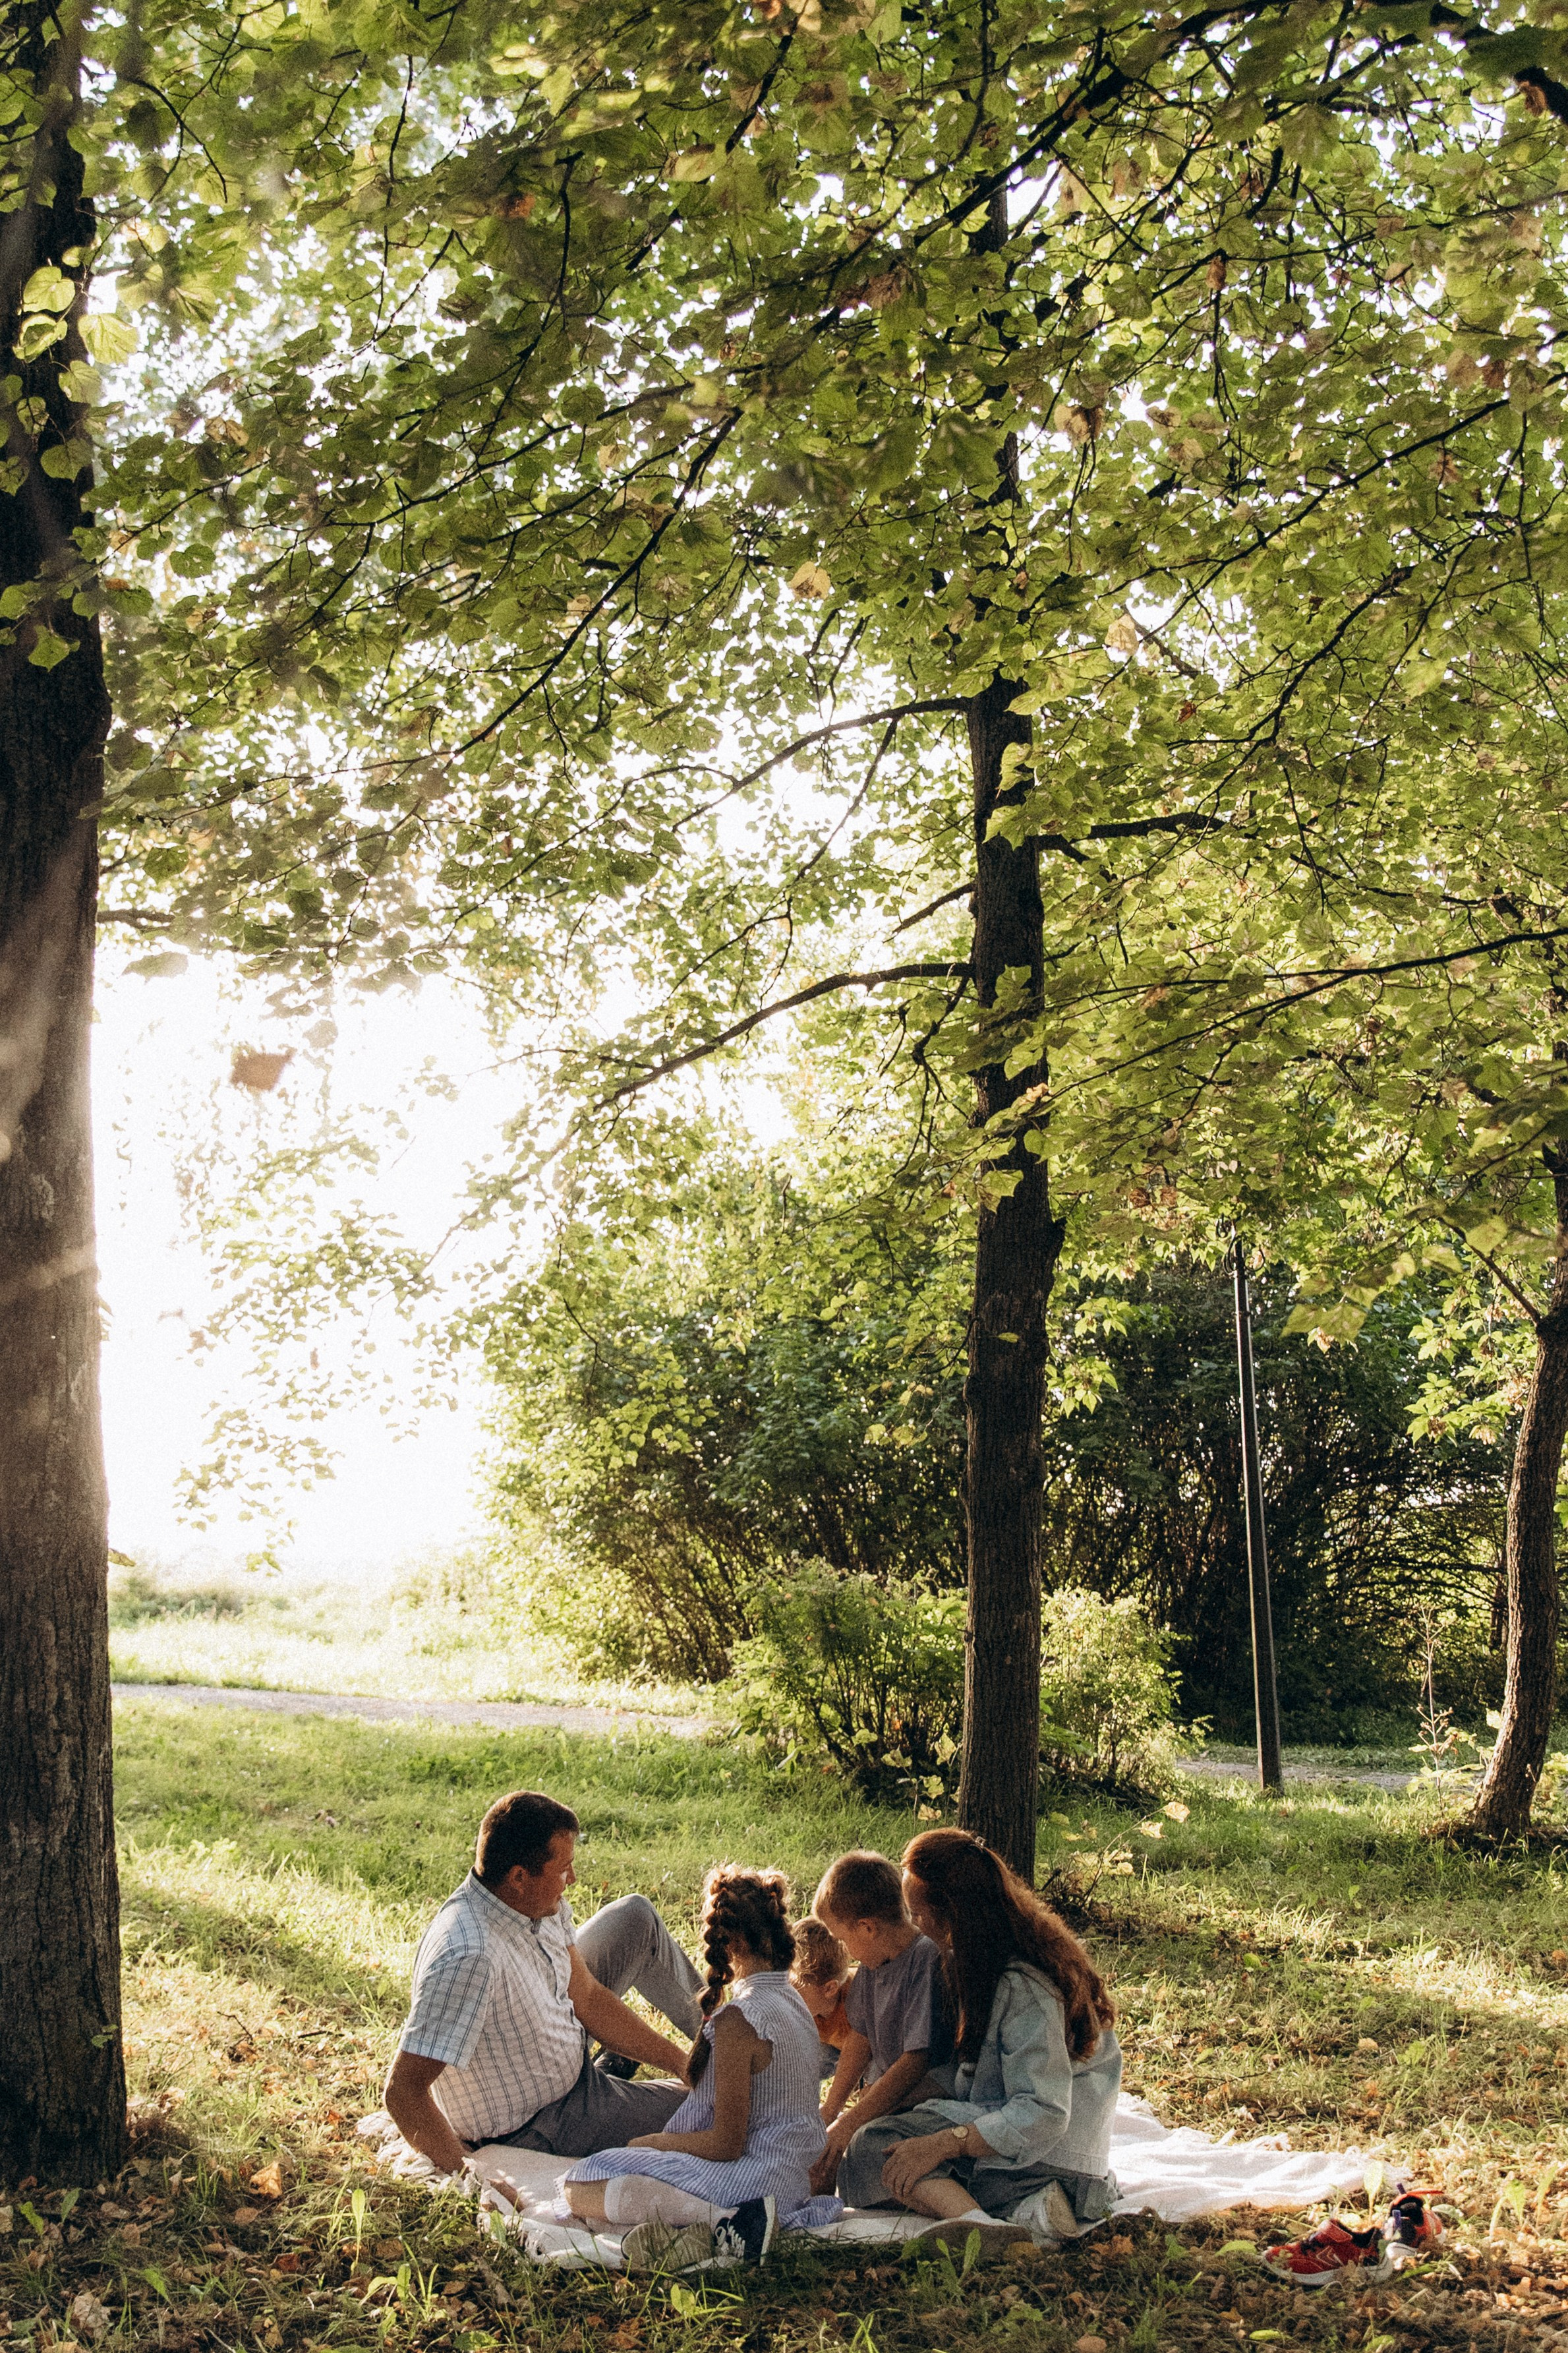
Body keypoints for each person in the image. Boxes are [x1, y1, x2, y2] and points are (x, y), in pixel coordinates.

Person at [836, 1828, 1122, 2261]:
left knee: (873, 2150)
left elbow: (1043, 2111)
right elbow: (979, 2072)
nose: (914, 1925)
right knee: (883, 2140)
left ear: (950, 1914)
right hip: (1032, 2143)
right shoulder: (987, 1955)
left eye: (917, 1913)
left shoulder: (1024, 1984)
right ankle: (1026, 2211)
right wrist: (895, 2099)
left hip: (1054, 2153)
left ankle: (982, 2225)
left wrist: (943, 2142)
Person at [384, 1789, 704, 2175]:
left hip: (555, 2039)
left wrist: (684, 2064)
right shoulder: (469, 1958)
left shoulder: (530, 1901)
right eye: (564, 1869)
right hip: (546, 2120)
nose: (573, 1879)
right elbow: (403, 2092)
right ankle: (635, 2080)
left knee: (634, 1917)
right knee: (724, 2115)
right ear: (519, 1876)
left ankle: (728, 2043)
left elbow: (587, 1997)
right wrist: (474, 2177)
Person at [562, 1865, 832, 2271]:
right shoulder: (796, 2004)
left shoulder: (740, 2019)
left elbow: (727, 2145)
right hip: (792, 2181)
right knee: (617, 2187)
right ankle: (688, 2231)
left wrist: (655, 2143)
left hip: (754, 2183)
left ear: (731, 1941)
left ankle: (724, 2223)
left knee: (579, 2184)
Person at [809, 1851, 948, 2193]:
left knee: (864, 2151)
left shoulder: (925, 1959)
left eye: (842, 1939)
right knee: (826, 2155)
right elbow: (860, 2038)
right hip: (885, 2100)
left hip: (927, 2100)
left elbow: (917, 2061)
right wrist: (832, 2109)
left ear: (867, 1928)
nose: (845, 1951)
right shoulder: (873, 1965)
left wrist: (849, 2123)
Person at [790, 1915, 855, 2073]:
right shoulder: (809, 2009)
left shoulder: (855, 2006)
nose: (788, 1998)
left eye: (796, 1992)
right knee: (804, 2063)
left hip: (869, 2049)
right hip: (832, 2045)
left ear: (829, 1989)